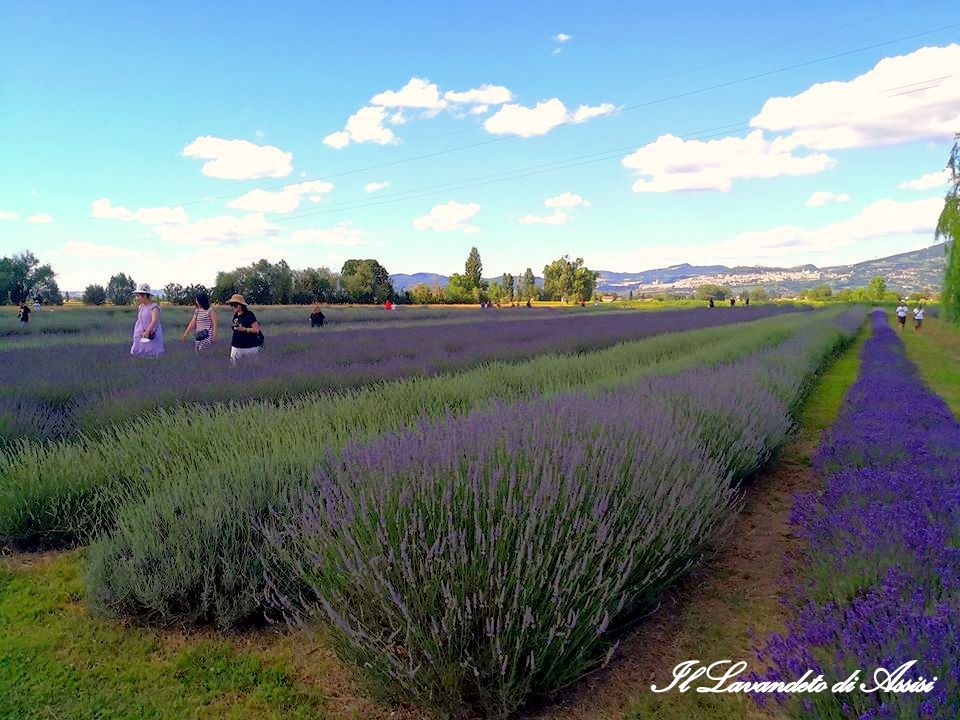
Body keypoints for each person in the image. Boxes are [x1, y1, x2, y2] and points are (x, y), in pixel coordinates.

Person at [130, 283, 164, 358]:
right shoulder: (141, 307)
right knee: (137, 353)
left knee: (151, 353)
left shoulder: (154, 307)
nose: (137, 298)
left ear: (144, 296)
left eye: (138, 296)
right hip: (140, 334)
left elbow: (154, 320)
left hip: (150, 334)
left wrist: (147, 332)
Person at [228, 293, 262, 364]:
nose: (233, 307)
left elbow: (256, 330)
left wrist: (245, 329)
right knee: (234, 367)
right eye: (231, 305)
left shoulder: (249, 315)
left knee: (252, 367)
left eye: (235, 305)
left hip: (249, 347)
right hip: (236, 346)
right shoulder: (236, 315)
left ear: (241, 305)